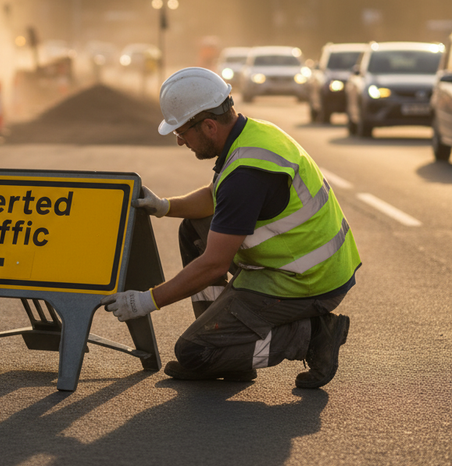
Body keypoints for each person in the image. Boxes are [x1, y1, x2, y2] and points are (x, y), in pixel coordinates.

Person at [102, 67, 360, 388]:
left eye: (182, 132)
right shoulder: (252, 134)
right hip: (307, 267)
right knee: (193, 228)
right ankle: (222, 338)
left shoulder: (247, 175)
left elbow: (213, 265)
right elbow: (215, 198)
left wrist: (146, 301)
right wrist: (165, 206)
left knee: (195, 353)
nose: (181, 141)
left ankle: (311, 337)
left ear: (209, 126)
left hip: (305, 282)